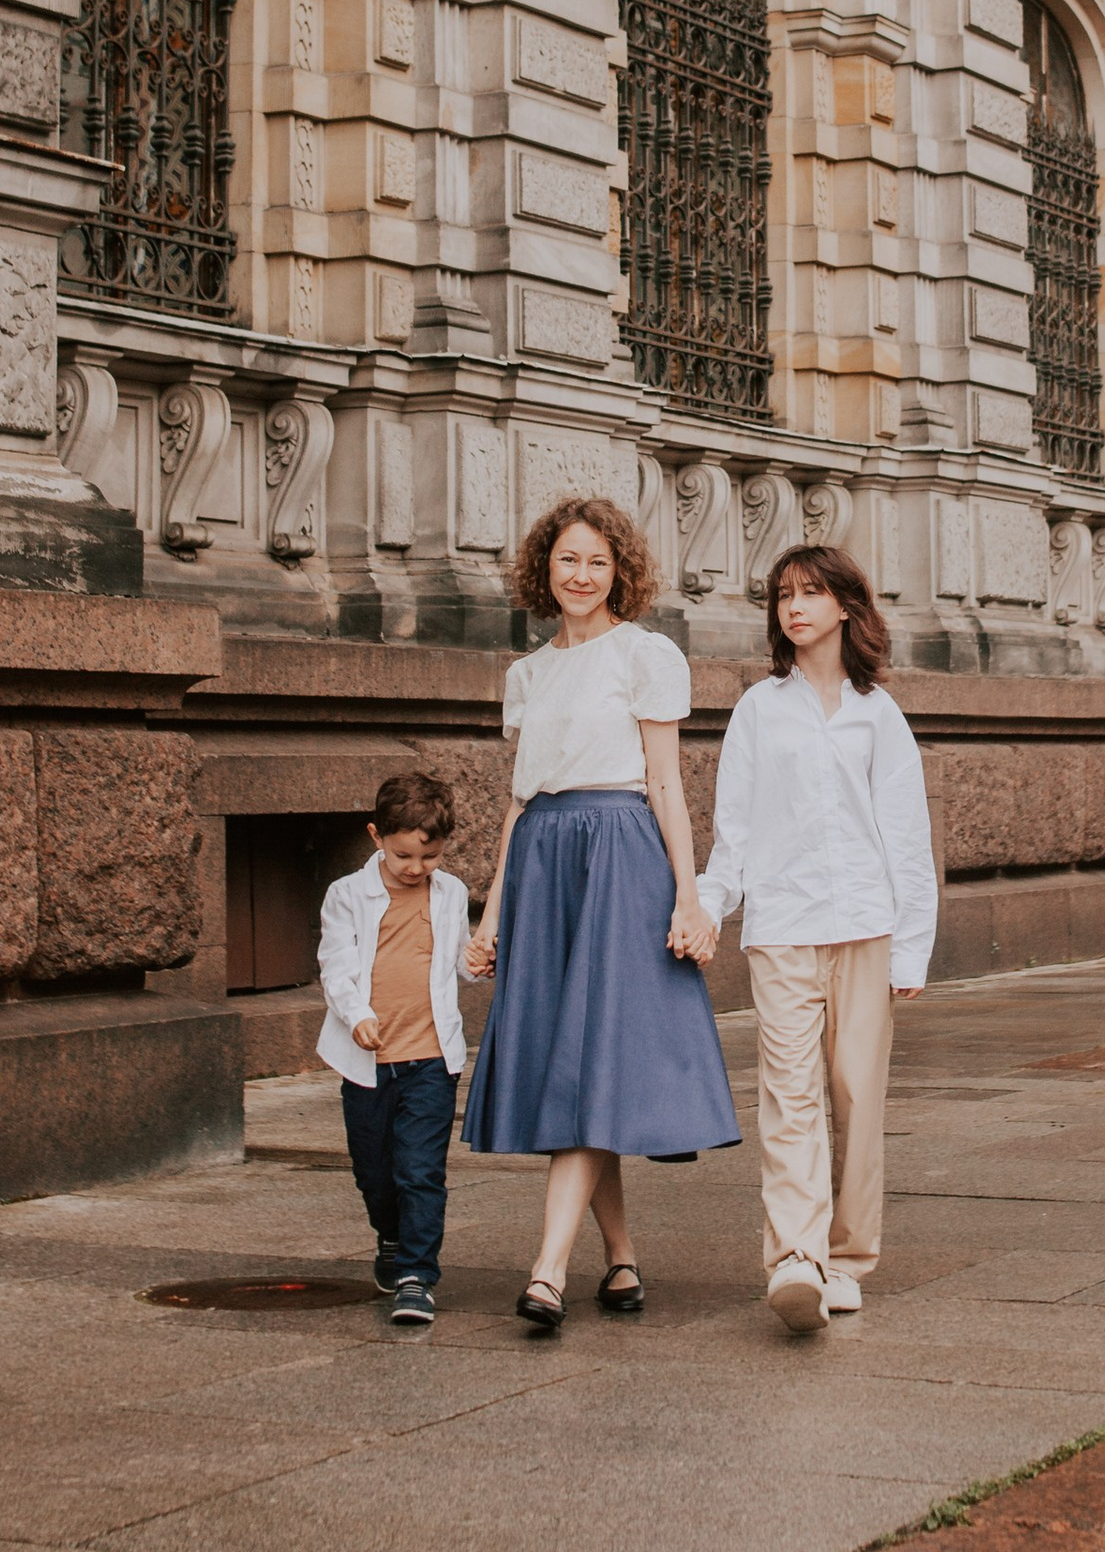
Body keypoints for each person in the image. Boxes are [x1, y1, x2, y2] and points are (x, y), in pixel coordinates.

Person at [460, 496, 737, 1331]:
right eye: (567, 560)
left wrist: (689, 896)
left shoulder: (645, 655)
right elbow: (519, 802)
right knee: (573, 1067)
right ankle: (619, 1256)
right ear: (543, 568)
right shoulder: (527, 673)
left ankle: (547, 1271)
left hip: (618, 856)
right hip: (544, 861)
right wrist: (490, 915)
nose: (580, 576)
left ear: (620, 572)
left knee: (589, 1059)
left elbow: (666, 785)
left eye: (597, 562)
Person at [697, 541, 937, 1336]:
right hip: (783, 928)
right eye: (783, 595)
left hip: (866, 926)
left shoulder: (879, 714)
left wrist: (911, 947)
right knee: (790, 1095)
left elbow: (906, 838)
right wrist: (707, 907)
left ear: (844, 606)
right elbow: (733, 831)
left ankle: (847, 1260)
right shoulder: (759, 708)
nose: (794, 607)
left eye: (810, 593)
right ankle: (795, 1258)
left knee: (856, 1098)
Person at [316, 767, 471, 1332]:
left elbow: (460, 963)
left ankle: (416, 1276)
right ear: (375, 836)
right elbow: (335, 966)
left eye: (429, 857)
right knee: (375, 1173)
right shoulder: (346, 895)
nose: (416, 868)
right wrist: (357, 1015)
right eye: (404, 855)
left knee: (420, 1170)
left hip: (431, 1060)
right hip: (367, 1064)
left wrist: (481, 961)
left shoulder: (451, 893)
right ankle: (390, 1233)